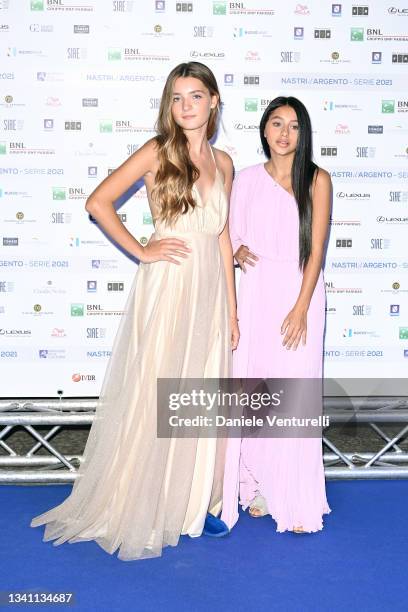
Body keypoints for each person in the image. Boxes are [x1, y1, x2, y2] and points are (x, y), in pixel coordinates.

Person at [31, 61, 239, 560]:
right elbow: (98, 202)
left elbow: (223, 237)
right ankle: (144, 499)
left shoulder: (225, 162)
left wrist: (232, 310)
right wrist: (144, 250)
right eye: (176, 97)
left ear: (214, 101)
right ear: (169, 105)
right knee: (156, 388)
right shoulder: (156, 151)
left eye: (195, 95)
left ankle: (189, 503)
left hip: (210, 288)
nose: (186, 105)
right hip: (168, 284)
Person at [221, 96, 331, 534]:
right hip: (257, 292)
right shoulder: (246, 179)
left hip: (299, 290)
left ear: (303, 134)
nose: (284, 133)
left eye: (293, 126)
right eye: (276, 123)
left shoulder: (316, 180)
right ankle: (258, 484)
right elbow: (225, 229)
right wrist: (237, 249)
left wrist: (302, 306)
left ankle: (295, 496)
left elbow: (316, 249)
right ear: (264, 130)